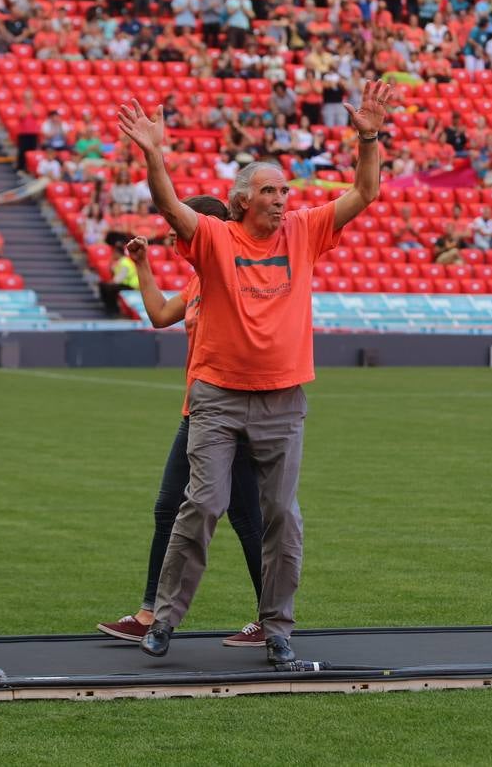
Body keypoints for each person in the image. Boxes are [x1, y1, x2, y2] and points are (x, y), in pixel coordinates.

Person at [117, 79, 393, 666]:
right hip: (217, 398)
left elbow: (365, 191)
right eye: (269, 190)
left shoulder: (305, 229)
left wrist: (368, 136)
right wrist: (153, 154)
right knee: (202, 504)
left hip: (283, 400)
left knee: (282, 520)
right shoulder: (215, 237)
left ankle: (277, 627)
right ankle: (164, 618)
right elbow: (169, 207)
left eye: (285, 189)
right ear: (242, 199)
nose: (282, 198)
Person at [96, 198, 266, 648]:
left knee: (246, 518)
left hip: (227, 413)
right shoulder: (199, 281)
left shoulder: (231, 277)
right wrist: (142, 264)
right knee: (173, 509)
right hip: (198, 412)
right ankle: (151, 612)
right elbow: (158, 316)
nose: (171, 231)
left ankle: (271, 618)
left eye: (177, 224)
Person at [99, 240, 138, 314]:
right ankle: (111, 307)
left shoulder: (124, 262)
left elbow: (119, 279)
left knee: (108, 288)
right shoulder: (120, 262)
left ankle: (113, 309)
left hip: (130, 286)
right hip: (124, 284)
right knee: (105, 286)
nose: (112, 255)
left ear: (117, 253)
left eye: (114, 253)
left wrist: (111, 283)